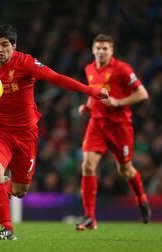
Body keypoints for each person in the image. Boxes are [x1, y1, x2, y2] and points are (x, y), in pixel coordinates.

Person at [0, 24, 109, 240]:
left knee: (20, 190)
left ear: (14, 46)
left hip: (26, 135)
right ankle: (7, 228)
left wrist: (90, 91)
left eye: (4, 45)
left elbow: (56, 78)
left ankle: (2, 192)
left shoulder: (26, 63)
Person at [75, 34, 151, 231]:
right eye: (98, 48)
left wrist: (118, 102)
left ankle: (141, 199)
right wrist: (88, 107)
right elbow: (95, 94)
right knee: (88, 166)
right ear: (93, 50)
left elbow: (143, 93)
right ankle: (89, 217)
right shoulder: (89, 68)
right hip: (97, 124)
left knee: (125, 170)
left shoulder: (122, 69)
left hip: (119, 126)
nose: (101, 52)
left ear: (112, 51)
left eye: (105, 48)